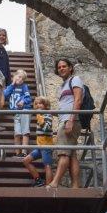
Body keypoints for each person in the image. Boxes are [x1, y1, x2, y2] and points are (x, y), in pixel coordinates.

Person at [46, 58, 84, 189]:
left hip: (70, 121)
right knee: (72, 155)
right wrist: (52, 112)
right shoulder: (62, 87)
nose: (61, 69)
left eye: (64, 66)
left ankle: (55, 183)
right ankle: (75, 185)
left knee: (63, 153)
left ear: (70, 68)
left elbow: (78, 100)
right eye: (59, 67)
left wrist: (71, 120)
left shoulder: (75, 80)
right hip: (66, 119)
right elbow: (65, 106)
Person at [22, 96, 53, 187]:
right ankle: (38, 180)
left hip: (46, 145)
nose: (38, 105)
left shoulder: (47, 114)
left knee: (47, 165)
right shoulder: (40, 115)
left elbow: (46, 128)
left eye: (41, 103)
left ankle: (48, 186)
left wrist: (40, 118)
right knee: (26, 160)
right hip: (40, 146)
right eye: (37, 104)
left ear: (45, 105)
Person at [4, 69, 32, 156]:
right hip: (16, 113)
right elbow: (5, 95)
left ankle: (24, 152)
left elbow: (28, 98)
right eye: (19, 77)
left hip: (24, 111)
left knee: (25, 131)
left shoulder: (24, 86)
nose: (20, 79)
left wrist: (23, 101)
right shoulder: (10, 87)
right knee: (17, 133)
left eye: (22, 79)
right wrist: (12, 84)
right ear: (14, 76)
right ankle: (17, 153)